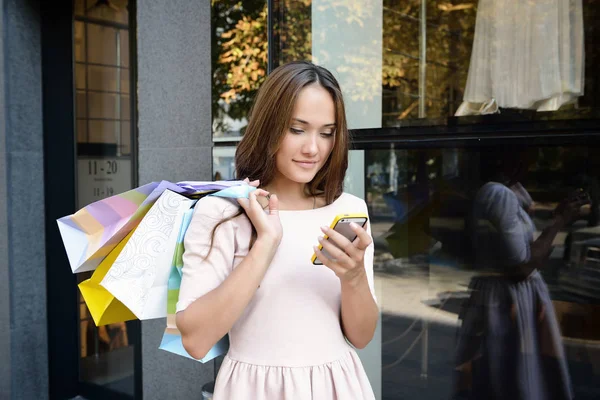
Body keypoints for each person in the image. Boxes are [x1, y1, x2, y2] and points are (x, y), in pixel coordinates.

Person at [175, 61, 379, 399]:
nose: (313, 148)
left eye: (326, 133)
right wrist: (266, 243)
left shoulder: (349, 210)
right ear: (269, 128)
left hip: (338, 386)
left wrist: (354, 277)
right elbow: (195, 341)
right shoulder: (224, 212)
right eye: (297, 129)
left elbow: (361, 336)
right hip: (254, 389)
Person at [453, 148, 590, 400]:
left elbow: (528, 253)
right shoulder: (498, 194)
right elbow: (521, 266)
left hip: (509, 297)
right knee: (514, 379)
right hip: (508, 300)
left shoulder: (505, 193)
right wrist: (559, 221)